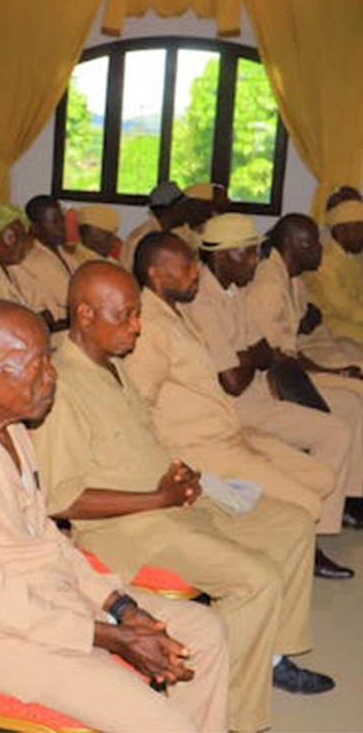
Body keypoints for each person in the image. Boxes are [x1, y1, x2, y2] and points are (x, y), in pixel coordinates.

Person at [0, 299, 229, 732]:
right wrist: (113, 636)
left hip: (53, 602)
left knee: (206, 632)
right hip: (0, 643)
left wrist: (121, 607)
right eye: (35, 365)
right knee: (166, 725)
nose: (51, 376)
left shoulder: (11, 427)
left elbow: (52, 541)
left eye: (48, 361)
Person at [32, 261, 331, 732]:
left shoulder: (113, 366)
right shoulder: (62, 388)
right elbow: (62, 501)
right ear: (85, 315)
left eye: (137, 314)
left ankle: (267, 658)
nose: (137, 326)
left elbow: (141, 439)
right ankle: (228, 710)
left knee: (292, 524)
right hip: (128, 530)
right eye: (125, 316)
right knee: (256, 578)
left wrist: (178, 475)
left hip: (172, 502)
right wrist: (159, 498)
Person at [183, 214, 362, 575]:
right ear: (222, 256)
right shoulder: (204, 299)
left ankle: (319, 526)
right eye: (248, 254)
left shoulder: (234, 291)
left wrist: (251, 358)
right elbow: (232, 380)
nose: (256, 260)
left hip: (258, 389)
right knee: (333, 429)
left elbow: (261, 350)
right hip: (234, 406)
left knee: (336, 425)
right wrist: (253, 358)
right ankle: (310, 536)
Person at [123, 232, 338, 527]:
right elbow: (136, 406)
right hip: (199, 449)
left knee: (322, 478)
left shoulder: (179, 311)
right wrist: (165, 468)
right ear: (155, 273)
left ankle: (253, 525)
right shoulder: (151, 328)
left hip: (230, 433)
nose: (195, 272)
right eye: (185, 267)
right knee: (308, 506)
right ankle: (259, 548)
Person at [245, 212, 363, 528]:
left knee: (354, 394)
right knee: (352, 397)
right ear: (288, 244)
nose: (319, 250)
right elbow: (276, 359)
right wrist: (335, 373)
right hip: (275, 381)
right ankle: (340, 503)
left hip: (292, 366)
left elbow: (298, 331)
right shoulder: (267, 285)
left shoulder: (290, 276)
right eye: (310, 244)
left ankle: (350, 496)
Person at [8, 195, 77, 336]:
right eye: (54, 222)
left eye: (62, 220)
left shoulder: (65, 253)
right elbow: (42, 317)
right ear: (35, 228)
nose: (62, 227)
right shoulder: (27, 261)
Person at [301, 197, 363, 346]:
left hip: (347, 317)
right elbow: (342, 307)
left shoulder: (350, 257)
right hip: (325, 321)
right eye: (359, 228)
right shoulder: (324, 261)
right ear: (341, 231)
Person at [120, 181, 204, 272]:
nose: (188, 209)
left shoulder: (185, 231)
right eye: (184, 205)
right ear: (171, 209)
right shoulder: (138, 240)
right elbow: (128, 275)